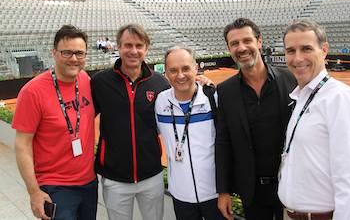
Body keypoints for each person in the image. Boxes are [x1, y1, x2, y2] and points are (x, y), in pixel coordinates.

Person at [278, 20, 350, 220]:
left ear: (324, 50)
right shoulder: (301, 96)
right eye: (290, 51)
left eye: (306, 49)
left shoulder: (341, 98)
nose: (297, 58)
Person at [12, 25, 97, 220]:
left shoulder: (84, 79)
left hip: (88, 183)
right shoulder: (32, 92)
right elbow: (22, 145)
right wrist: (34, 192)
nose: (74, 59)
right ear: (54, 53)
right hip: (55, 187)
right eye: (67, 52)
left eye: (79, 53)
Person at [215, 18, 297, 220]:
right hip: (251, 191)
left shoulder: (292, 80)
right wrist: (223, 190)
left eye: (247, 40)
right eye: (234, 43)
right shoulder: (225, 91)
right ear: (229, 48)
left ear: (259, 42)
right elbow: (223, 142)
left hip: (291, 184)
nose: (241, 48)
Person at [91, 24, 170, 220]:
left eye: (139, 45)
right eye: (128, 45)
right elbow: (82, 118)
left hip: (152, 175)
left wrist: (201, 84)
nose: (133, 51)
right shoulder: (100, 82)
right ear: (117, 47)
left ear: (146, 48)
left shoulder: (160, 83)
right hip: (114, 178)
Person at [155, 46, 224, 220]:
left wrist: (226, 189)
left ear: (196, 68)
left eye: (186, 68)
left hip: (215, 194)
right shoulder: (160, 102)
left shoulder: (214, 98)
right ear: (166, 74)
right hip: (180, 195)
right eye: (173, 70)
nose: (180, 75)